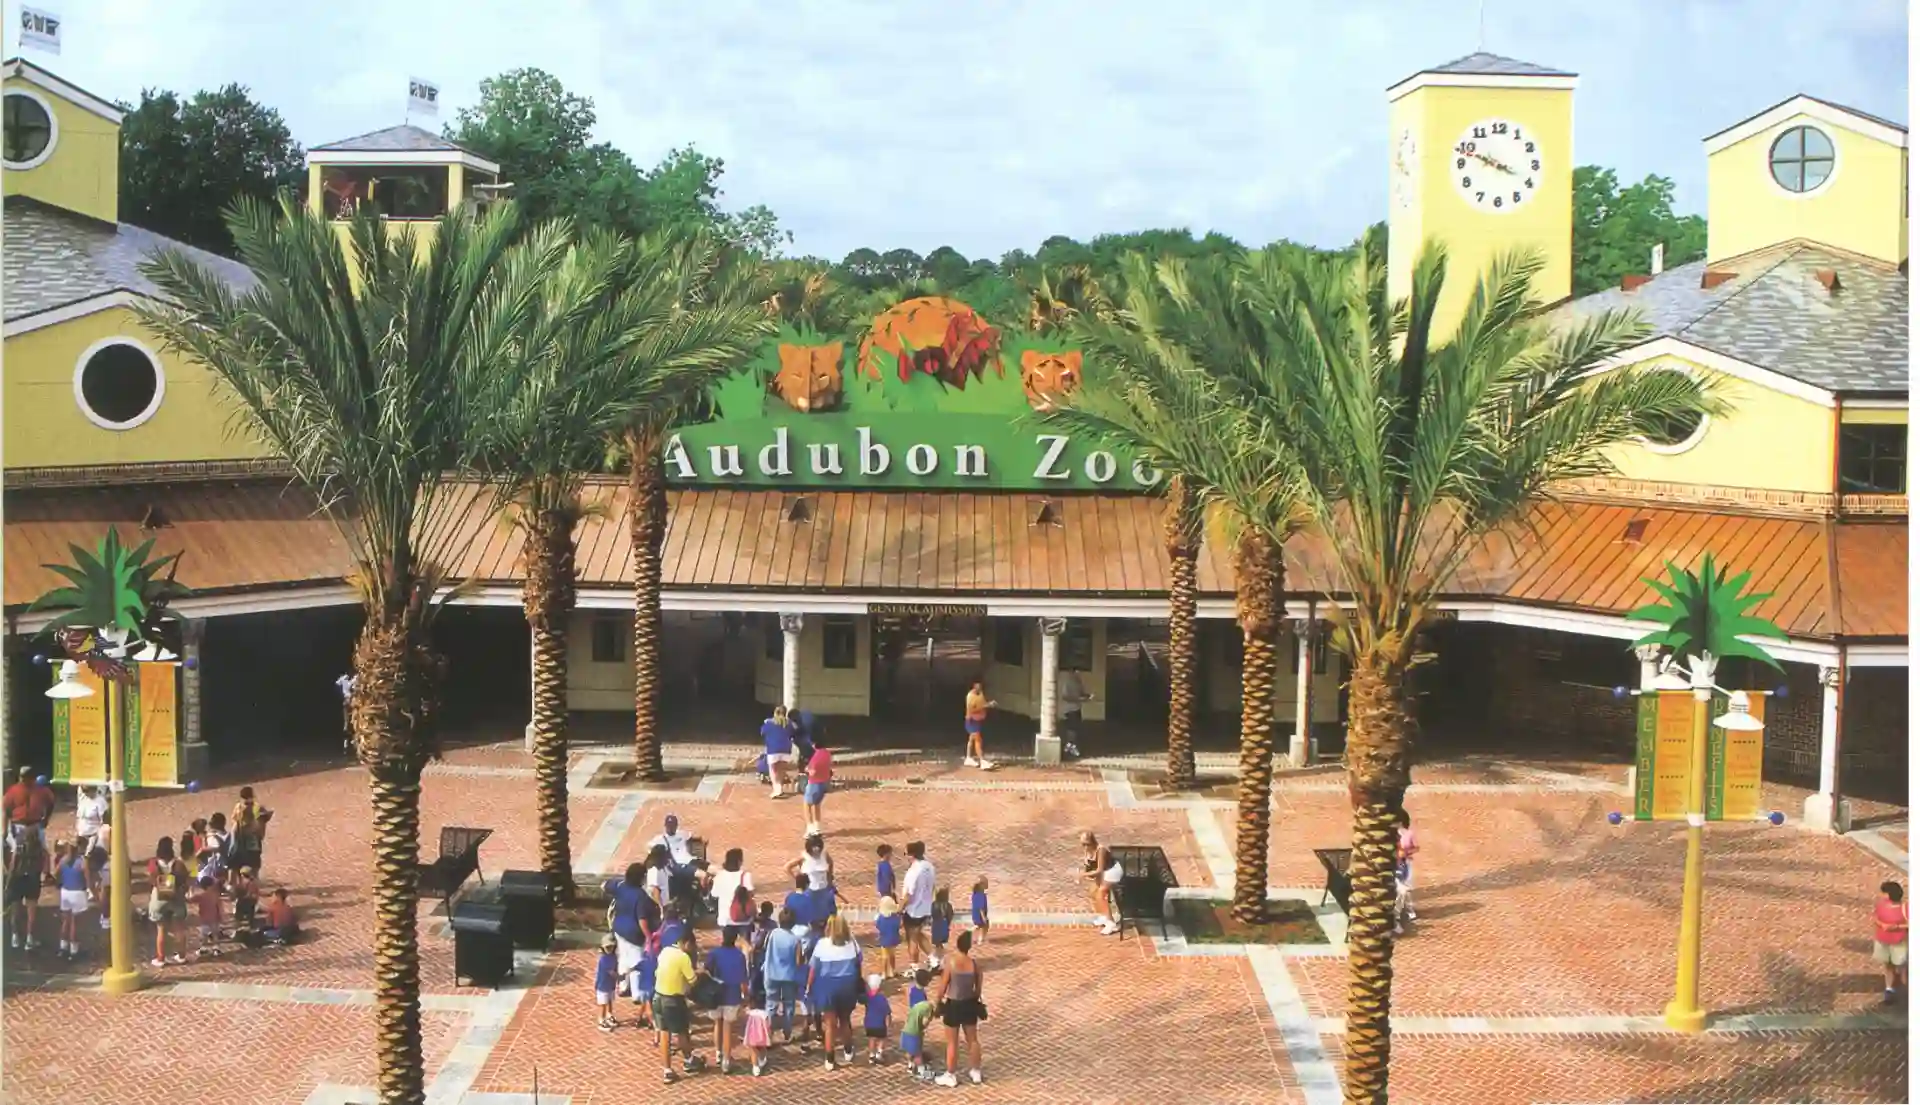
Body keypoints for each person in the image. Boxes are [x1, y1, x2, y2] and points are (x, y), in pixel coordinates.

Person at [806, 913, 863, 1071]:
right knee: (845, 1020)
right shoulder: (852, 944)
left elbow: (813, 969)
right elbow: (859, 963)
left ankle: (829, 1059)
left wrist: (809, 986)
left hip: (827, 987)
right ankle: (848, 1050)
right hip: (848, 985)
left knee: (830, 1024)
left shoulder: (822, 944)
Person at [932, 929, 987, 1086]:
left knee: (952, 1042)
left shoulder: (951, 963)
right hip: (969, 1004)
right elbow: (978, 990)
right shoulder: (974, 965)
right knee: (973, 1040)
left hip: (953, 1005)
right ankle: (976, 1071)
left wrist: (938, 1002)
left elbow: (943, 986)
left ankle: (951, 1074)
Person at [605, 861, 659, 1007]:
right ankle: (637, 994)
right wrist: (649, 937)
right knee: (637, 963)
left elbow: (605, 886)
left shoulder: (621, 886)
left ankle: (623, 987)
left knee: (623, 957)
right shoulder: (641, 896)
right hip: (634, 935)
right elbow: (642, 920)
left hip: (619, 929)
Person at [654, 929, 703, 1084]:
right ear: (687, 943)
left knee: (664, 1034)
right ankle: (689, 1061)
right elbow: (693, 981)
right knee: (681, 1032)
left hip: (658, 997)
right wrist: (701, 974)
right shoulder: (683, 958)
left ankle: (667, 1070)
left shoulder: (665, 951)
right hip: (674, 1000)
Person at [703, 927, 750, 1073]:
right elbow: (743, 980)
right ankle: (726, 1061)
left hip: (715, 994)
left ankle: (718, 1053)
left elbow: (706, 971)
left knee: (717, 1023)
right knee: (728, 1028)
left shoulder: (714, 953)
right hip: (732, 994)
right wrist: (746, 996)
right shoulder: (739, 956)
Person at [762, 906, 804, 1049]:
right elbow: (799, 962)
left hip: (771, 974)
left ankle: (768, 1035)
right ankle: (787, 1032)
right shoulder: (795, 940)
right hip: (788, 976)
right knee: (789, 1005)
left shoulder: (773, 934)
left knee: (771, 1005)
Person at [647, 815, 707, 909]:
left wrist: (701, 839)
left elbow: (693, 836)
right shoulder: (660, 839)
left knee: (713, 871)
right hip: (678, 866)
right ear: (665, 826)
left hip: (691, 860)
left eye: (673, 825)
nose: (671, 827)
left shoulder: (681, 834)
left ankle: (706, 895)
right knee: (703, 875)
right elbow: (650, 848)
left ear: (676, 825)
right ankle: (704, 899)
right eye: (669, 825)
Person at [147, 835, 188, 966]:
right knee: (179, 929)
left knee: (161, 930)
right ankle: (181, 956)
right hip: (176, 898)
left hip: (159, 898)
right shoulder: (179, 864)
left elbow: (151, 880)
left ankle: (160, 958)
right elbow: (184, 880)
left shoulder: (153, 863)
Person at [5, 819, 45, 951]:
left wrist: (8, 881)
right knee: (31, 911)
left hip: (18, 877)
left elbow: (13, 865)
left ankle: (15, 937)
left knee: (15, 909)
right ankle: (29, 939)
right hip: (32, 878)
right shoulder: (39, 847)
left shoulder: (19, 845)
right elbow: (42, 863)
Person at [901, 840, 937, 972]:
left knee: (912, 938)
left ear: (912, 855)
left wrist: (899, 910)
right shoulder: (930, 867)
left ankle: (914, 967)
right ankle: (933, 959)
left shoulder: (913, 872)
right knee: (919, 934)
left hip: (913, 910)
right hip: (925, 908)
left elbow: (907, 895)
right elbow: (933, 887)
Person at [787, 833, 837, 923]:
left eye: (818, 846)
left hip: (824, 890)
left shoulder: (824, 854)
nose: (816, 849)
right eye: (814, 847)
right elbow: (787, 867)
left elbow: (831, 863)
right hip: (809, 892)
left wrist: (829, 878)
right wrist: (797, 880)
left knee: (827, 916)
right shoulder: (804, 857)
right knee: (812, 917)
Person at [1081, 831, 1123, 935]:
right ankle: (1104, 916)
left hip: (1113, 871)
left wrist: (1083, 875)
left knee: (1101, 894)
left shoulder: (1101, 850)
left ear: (1093, 842)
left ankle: (1111, 923)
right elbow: (1089, 866)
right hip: (1104, 872)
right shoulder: (1088, 851)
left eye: (1087, 844)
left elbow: (1099, 869)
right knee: (1093, 892)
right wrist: (1086, 874)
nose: (1085, 846)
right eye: (1083, 844)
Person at [710, 847, 755, 942]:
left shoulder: (719, 876)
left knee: (727, 944)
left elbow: (714, 895)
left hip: (725, 918)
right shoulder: (745, 875)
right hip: (743, 917)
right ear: (739, 861)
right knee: (746, 945)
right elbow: (751, 894)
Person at [1874, 880, 1908, 1004]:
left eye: (1884, 893)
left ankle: (1905, 990)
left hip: (1899, 942)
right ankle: (1889, 989)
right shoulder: (1881, 905)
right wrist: (1882, 924)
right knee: (1888, 965)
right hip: (1884, 941)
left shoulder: (1905, 908)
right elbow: (1875, 918)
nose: (1881, 895)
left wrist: (1896, 927)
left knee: (1902, 966)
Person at [54, 839, 88, 959]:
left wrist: (60, 881)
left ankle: (63, 947)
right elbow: (88, 879)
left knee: (65, 921)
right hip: (78, 892)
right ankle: (74, 950)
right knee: (75, 923)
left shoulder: (63, 860)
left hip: (65, 892)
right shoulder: (82, 861)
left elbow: (55, 873)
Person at [230, 787, 272, 876]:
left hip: (240, 837)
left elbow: (234, 820)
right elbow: (264, 820)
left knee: (238, 862)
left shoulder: (238, 806)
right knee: (254, 862)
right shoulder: (258, 807)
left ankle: (240, 882)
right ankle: (253, 880)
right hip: (252, 837)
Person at [901, 984, 936, 1082]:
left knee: (909, 1051)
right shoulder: (929, 1010)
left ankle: (910, 1065)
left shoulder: (919, 1005)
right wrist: (927, 1023)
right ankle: (921, 1070)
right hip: (914, 1033)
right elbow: (924, 1022)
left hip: (906, 1030)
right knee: (917, 1054)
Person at [761, 705, 796, 799]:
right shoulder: (789, 724)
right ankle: (779, 787)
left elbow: (762, 732)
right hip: (786, 749)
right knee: (781, 769)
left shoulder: (769, 723)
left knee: (773, 770)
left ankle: (776, 789)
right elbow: (793, 733)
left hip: (773, 749)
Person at [1394, 808, 1419, 935]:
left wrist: (1406, 853)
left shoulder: (1409, 834)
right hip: (1396, 865)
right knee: (1402, 889)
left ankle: (1408, 910)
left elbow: (1416, 848)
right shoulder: (1391, 835)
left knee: (1406, 887)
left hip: (1405, 863)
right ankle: (1398, 915)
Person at [962, 681, 997, 769]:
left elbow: (983, 704)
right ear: (973, 686)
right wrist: (987, 706)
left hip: (977, 720)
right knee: (978, 740)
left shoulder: (980, 693)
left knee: (971, 739)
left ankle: (968, 758)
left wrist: (989, 704)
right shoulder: (970, 697)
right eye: (977, 686)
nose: (979, 688)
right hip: (971, 720)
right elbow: (972, 710)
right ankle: (982, 761)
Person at [802, 742, 833, 835]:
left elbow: (813, 772)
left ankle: (810, 828)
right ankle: (817, 826)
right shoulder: (827, 753)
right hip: (824, 782)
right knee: (817, 804)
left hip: (814, 783)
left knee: (807, 805)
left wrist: (807, 769)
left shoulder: (816, 756)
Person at [862, 972, 892, 1064]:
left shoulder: (867, 997)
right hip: (880, 1024)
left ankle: (871, 1055)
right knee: (882, 1038)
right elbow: (887, 1012)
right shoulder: (882, 998)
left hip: (869, 1023)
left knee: (872, 1039)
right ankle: (879, 1052)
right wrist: (888, 1024)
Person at [192, 874, 224, 958]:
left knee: (204, 935)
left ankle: (203, 948)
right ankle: (216, 948)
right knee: (215, 934)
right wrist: (221, 916)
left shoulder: (201, 895)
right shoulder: (215, 895)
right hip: (214, 918)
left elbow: (191, 899)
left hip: (204, 919)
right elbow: (219, 906)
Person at [594, 933, 621, 1032]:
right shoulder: (604, 959)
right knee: (603, 1003)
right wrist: (620, 977)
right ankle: (601, 1020)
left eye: (611, 947)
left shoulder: (614, 957)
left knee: (610, 1001)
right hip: (602, 986)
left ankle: (609, 1015)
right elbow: (612, 972)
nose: (609, 949)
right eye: (607, 947)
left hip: (610, 985)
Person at [71, 785, 107, 857]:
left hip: (93, 835)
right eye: (84, 791)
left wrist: (99, 836)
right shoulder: (83, 799)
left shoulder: (100, 801)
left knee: (87, 857)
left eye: (87, 791)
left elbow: (104, 821)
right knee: (78, 857)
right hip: (81, 835)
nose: (85, 793)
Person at [1058, 666, 1091, 742]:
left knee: (1076, 728)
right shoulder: (1067, 683)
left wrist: (1088, 696)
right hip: (1070, 709)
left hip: (1077, 708)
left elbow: (1081, 694)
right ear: (1072, 673)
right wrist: (1078, 699)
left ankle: (1073, 744)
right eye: (1076, 672)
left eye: (1079, 672)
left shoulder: (1079, 682)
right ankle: (1070, 744)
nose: (1078, 674)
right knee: (1071, 728)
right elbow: (1065, 697)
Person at [875, 894, 904, 976]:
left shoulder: (881, 918)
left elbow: (878, 926)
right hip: (893, 939)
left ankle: (884, 973)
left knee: (885, 956)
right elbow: (899, 925)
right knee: (892, 955)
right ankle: (892, 971)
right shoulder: (895, 917)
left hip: (884, 939)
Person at [931, 886, 955, 965]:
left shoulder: (934, 904)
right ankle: (942, 961)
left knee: (937, 945)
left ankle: (937, 960)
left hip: (936, 926)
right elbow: (950, 916)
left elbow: (932, 914)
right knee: (943, 944)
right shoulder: (948, 905)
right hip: (944, 926)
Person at [335, 672, 356, 754]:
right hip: (348, 702)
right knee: (347, 724)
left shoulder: (355, 678)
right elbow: (337, 685)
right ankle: (346, 746)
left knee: (352, 723)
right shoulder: (345, 679)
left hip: (353, 702)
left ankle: (351, 745)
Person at [970, 876, 991, 946]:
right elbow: (981, 907)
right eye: (986, 883)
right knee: (985, 925)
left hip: (975, 915)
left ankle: (972, 936)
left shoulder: (974, 894)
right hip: (980, 915)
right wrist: (984, 917)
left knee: (979, 926)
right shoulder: (982, 895)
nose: (987, 884)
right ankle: (980, 940)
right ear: (981, 885)